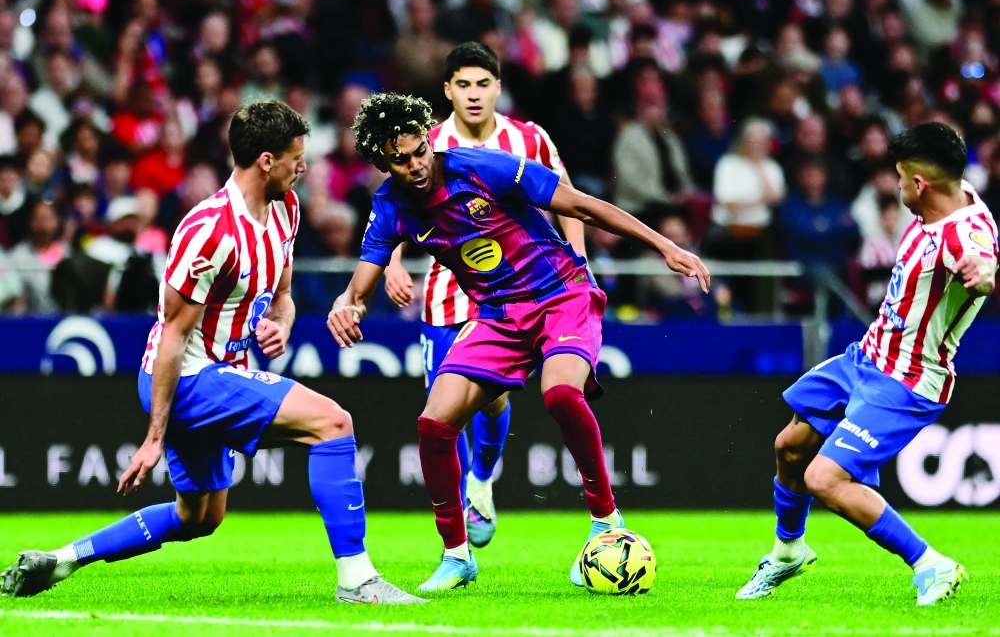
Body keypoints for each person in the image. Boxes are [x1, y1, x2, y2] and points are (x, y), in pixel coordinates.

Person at [0, 101, 424, 606]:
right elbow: (174, 336)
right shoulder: (208, 231)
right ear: (266, 160)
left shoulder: (285, 209)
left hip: (219, 373)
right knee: (333, 422)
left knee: (198, 517)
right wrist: (155, 435)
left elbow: (283, 298)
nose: (303, 166)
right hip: (187, 378)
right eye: (296, 157)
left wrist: (279, 327)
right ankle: (357, 580)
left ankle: (61, 559)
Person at [329, 92, 709, 592]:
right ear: (382, 162)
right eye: (400, 159)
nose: (417, 164)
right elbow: (362, 283)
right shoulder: (389, 207)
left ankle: (606, 521)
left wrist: (665, 245)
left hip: (561, 296)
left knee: (560, 394)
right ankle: (457, 556)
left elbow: (581, 205)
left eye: (420, 149)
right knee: (433, 424)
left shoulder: (483, 167)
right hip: (498, 317)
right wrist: (347, 305)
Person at [736, 122, 998, 606]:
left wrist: (983, 274)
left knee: (824, 478)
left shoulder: (965, 234)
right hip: (867, 356)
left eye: (900, 177)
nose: (896, 186)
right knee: (791, 446)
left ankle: (930, 564)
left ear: (919, 183)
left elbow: (981, 264)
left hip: (908, 380)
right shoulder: (951, 195)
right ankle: (789, 550)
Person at [382, 42, 587, 549]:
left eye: (483, 84)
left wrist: (578, 264)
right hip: (447, 295)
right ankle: (455, 543)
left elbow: (569, 202)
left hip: (518, 290)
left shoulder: (528, 138)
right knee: (443, 413)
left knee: (491, 401)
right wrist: (390, 264)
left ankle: (481, 481)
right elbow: (388, 212)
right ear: (447, 90)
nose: (474, 95)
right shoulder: (424, 142)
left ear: (498, 87)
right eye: (463, 85)